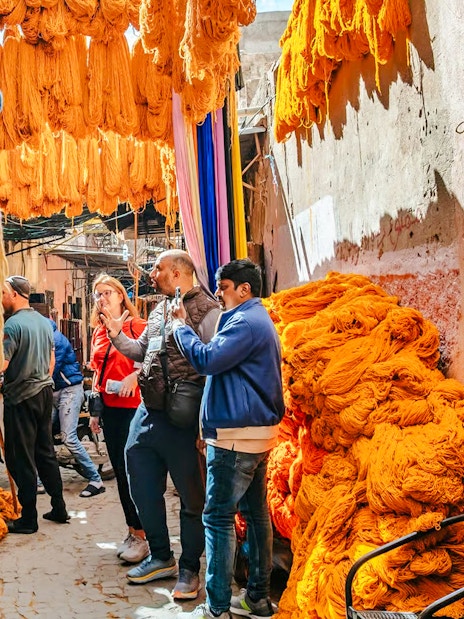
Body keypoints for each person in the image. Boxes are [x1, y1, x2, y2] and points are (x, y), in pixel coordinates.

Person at [100, 249, 220, 600]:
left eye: (158, 268)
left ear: (180, 273)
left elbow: (216, 367)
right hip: (148, 412)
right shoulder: (158, 309)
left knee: (190, 498)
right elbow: (141, 351)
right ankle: (160, 556)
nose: (151, 274)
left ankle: (188, 570)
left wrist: (205, 427)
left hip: (183, 418)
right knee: (139, 483)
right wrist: (115, 334)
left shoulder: (209, 311)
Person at [171, 259, 285, 619]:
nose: (219, 294)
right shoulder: (252, 318)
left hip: (237, 438)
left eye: (223, 287)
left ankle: (217, 607)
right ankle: (258, 599)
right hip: (253, 435)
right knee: (255, 514)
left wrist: (180, 327)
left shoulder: (245, 322)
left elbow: (207, 359)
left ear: (244, 289)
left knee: (218, 518)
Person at [2, 275, 69, 534]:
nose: (2, 298)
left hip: (21, 397)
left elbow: (2, 364)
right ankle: (59, 506)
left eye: (4, 292)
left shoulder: (12, 325)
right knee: (45, 452)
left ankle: (28, 518)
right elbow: (52, 361)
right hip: (44, 393)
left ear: (15, 294)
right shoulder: (44, 322)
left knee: (21, 458)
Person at [89, 274, 149, 564]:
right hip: (110, 410)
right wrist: (95, 412)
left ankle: (144, 536)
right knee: (121, 476)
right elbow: (96, 373)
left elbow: (154, 359)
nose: (102, 298)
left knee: (134, 474)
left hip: (134, 410)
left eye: (108, 292)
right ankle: (132, 530)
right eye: (98, 294)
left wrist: (134, 376)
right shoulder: (98, 331)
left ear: (121, 295)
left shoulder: (136, 326)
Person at [50, 318, 105, 498]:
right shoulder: (46, 337)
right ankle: (41, 480)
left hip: (69, 391)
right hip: (54, 391)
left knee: (69, 437)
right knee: (40, 432)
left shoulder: (55, 340)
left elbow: (50, 369)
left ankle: (96, 479)